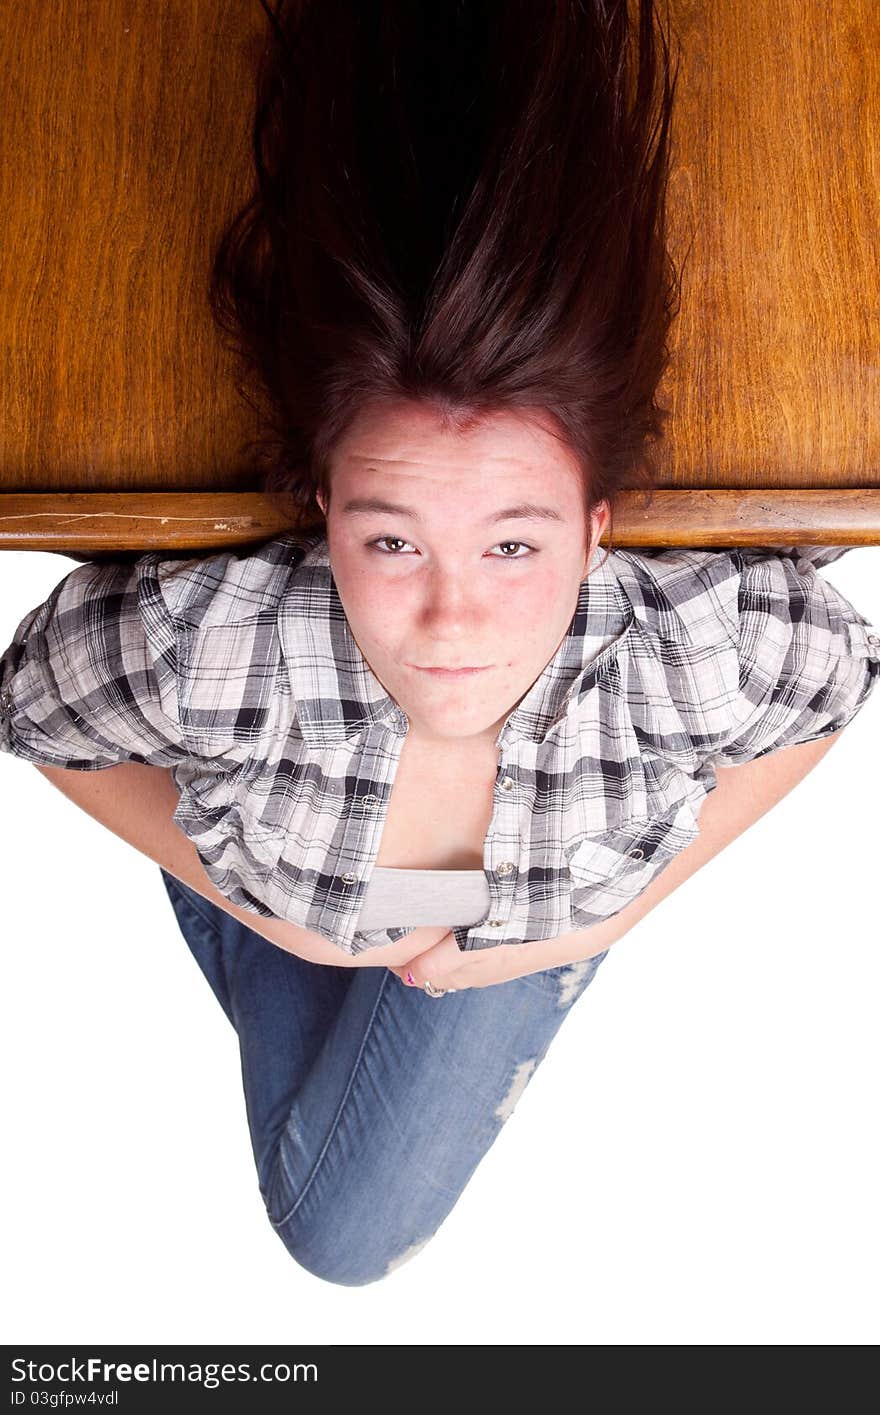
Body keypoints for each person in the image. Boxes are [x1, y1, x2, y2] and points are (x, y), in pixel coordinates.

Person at [1, 1, 878, 1287]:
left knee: (333, 1230)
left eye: (514, 546)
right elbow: (41, 716)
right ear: (322, 511)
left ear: (595, 530)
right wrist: (282, 921)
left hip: (537, 906)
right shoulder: (208, 649)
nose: (453, 619)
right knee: (345, 1229)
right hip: (300, 878)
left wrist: (599, 919)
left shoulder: (704, 642)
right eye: (393, 542)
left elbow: (831, 695)